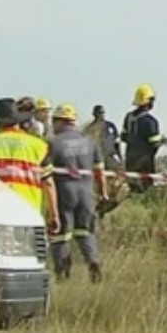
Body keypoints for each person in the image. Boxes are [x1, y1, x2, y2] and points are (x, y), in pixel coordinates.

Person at [0, 98, 59, 234]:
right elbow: (48, 183)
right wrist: (54, 215)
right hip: (28, 211)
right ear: (18, 121)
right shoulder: (39, 146)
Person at [46, 103, 107, 283]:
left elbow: (46, 173)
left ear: (59, 121)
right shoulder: (90, 142)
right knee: (86, 232)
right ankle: (93, 263)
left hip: (64, 191)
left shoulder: (53, 143)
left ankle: (62, 273)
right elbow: (100, 172)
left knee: (61, 234)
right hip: (86, 192)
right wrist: (103, 193)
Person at [122, 83, 167, 193]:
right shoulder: (150, 122)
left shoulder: (128, 118)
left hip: (130, 160)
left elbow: (124, 137)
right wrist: (163, 141)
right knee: (144, 190)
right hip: (144, 163)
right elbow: (154, 143)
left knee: (133, 189)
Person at [83, 105, 121, 170]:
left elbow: (117, 143)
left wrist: (120, 159)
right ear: (94, 114)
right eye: (99, 113)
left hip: (110, 159)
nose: (102, 115)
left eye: (103, 112)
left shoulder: (110, 126)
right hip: (96, 161)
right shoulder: (89, 128)